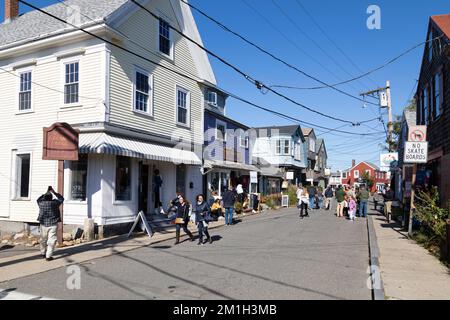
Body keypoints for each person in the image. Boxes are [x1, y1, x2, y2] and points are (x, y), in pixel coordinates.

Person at [37, 186, 64, 261]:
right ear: (51, 198)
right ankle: (48, 256)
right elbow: (61, 199)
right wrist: (54, 192)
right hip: (53, 224)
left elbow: (38, 199)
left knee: (43, 239)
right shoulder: (55, 203)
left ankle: (43, 253)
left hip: (43, 224)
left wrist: (45, 192)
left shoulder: (41, 203)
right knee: (52, 240)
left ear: (44, 198)